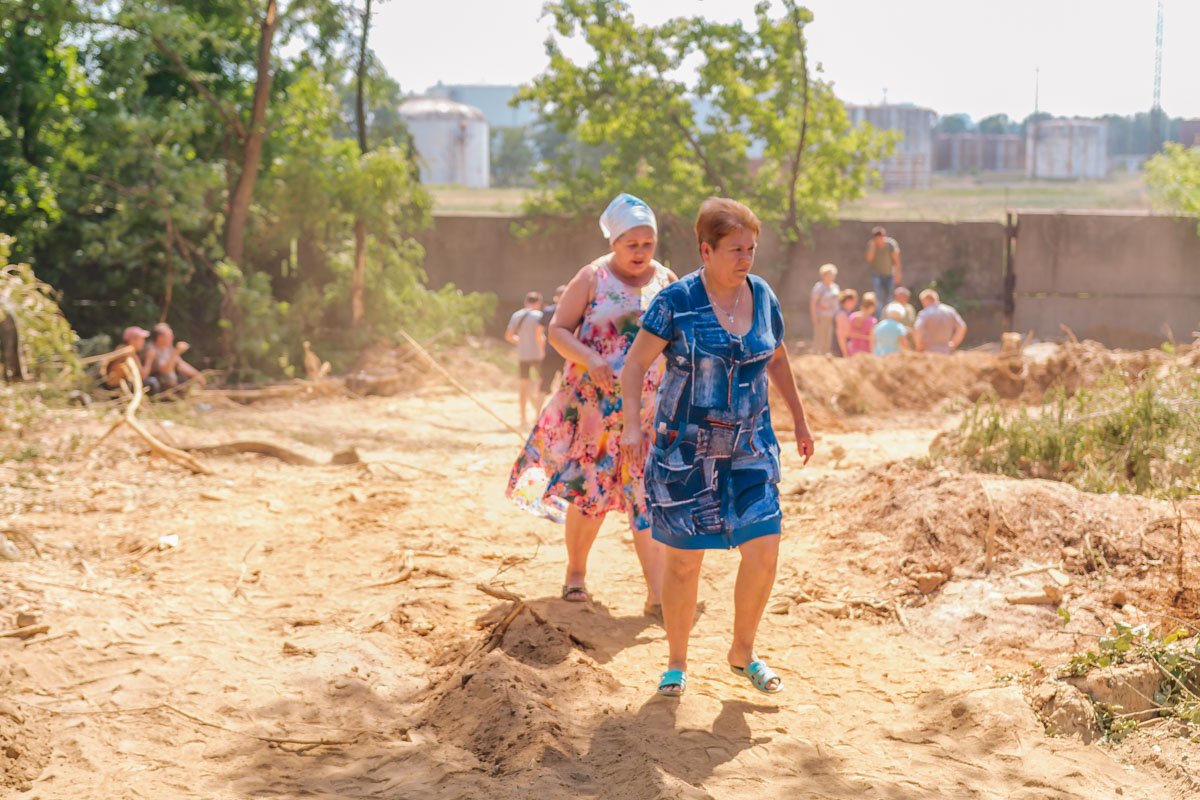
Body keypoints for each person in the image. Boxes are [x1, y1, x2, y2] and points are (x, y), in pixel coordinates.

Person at [620, 197, 815, 698]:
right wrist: (632, 428)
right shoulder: (675, 302)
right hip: (686, 451)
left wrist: (799, 418)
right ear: (705, 250)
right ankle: (677, 663)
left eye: (751, 248)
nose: (745, 258)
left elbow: (776, 356)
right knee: (684, 562)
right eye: (734, 249)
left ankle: (742, 651)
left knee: (765, 549)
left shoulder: (763, 294)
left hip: (751, 445)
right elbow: (635, 365)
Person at [506, 193, 675, 615]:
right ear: (614, 242)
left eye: (647, 244)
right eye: (631, 244)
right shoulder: (593, 277)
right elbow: (559, 329)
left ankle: (657, 593)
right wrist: (592, 358)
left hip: (648, 411)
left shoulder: (666, 281)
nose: (640, 253)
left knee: (647, 497)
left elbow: (678, 339)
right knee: (590, 494)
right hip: (595, 411)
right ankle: (576, 574)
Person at [505, 291, 546, 428]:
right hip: (538, 355)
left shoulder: (517, 315)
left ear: (525, 302)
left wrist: (521, 342)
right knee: (541, 384)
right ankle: (537, 416)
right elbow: (540, 336)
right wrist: (543, 349)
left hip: (523, 355)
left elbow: (509, 336)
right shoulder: (539, 316)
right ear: (538, 303)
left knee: (523, 386)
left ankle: (523, 418)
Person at [143, 323, 204, 393]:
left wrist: (198, 375)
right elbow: (164, 370)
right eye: (169, 336)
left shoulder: (168, 347)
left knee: (183, 376)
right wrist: (176, 352)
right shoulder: (151, 349)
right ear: (160, 338)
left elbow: (181, 364)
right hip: (160, 384)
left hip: (172, 383)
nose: (172, 338)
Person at [102, 326, 158, 392]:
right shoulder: (128, 351)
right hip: (116, 388)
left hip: (117, 386)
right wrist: (149, 359)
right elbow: (143, 376)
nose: (143, 342)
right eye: (141, 339)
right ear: (132, 340)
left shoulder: (123, 348)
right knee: (152, 382)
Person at [914, 289, 967, 354]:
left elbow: (917, 328)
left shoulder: (924, 313)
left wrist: (919, 345)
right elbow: (962, 327)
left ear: (924, 301)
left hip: (929, 350)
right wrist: (954, 343)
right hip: (946, 350)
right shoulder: (950, 311)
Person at [538, 285, 568, 396]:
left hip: (550, 352)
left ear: (556, 297)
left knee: (544, 385)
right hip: (567, 353)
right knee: (567, 385)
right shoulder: (573, 310)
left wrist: (543, 348)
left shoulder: (548, 311)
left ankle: (538, 412)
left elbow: (538, 332)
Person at [865, 226, 902, 307]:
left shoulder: (890, 244)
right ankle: (879, 317)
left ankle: (888, 316)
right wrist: (872, 247)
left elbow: (896, 260)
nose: (879, 241)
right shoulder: (872, 245)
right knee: (878, 298)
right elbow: (869, 259)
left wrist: (898, 274)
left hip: (889, 275)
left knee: (889, 297)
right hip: (877, 275)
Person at [808, 263, 840, 355]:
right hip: (821, 316)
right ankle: (817, 356)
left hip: (832, 317)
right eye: (829, 274)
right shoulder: (819, 287)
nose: (831, 277)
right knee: (819, 337)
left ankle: (826, 354)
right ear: (824, 275)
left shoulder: (835, 287)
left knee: (829, 337)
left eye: (833, 274)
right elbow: (813, 302)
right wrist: (814, 317)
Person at [845, 292, 877, 357]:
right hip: (866, 352)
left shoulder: (852, 316)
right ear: (872, 307)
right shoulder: (872, 321)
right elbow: (872, 339)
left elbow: (847, 333)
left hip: (853, 350)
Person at [834, 288, 858, 357]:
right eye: (854, 301)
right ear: (848, 301)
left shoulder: (847, 313)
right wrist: (845, 353)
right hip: (840, 350)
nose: (855, 303)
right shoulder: (841, 314)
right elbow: (841, 336)